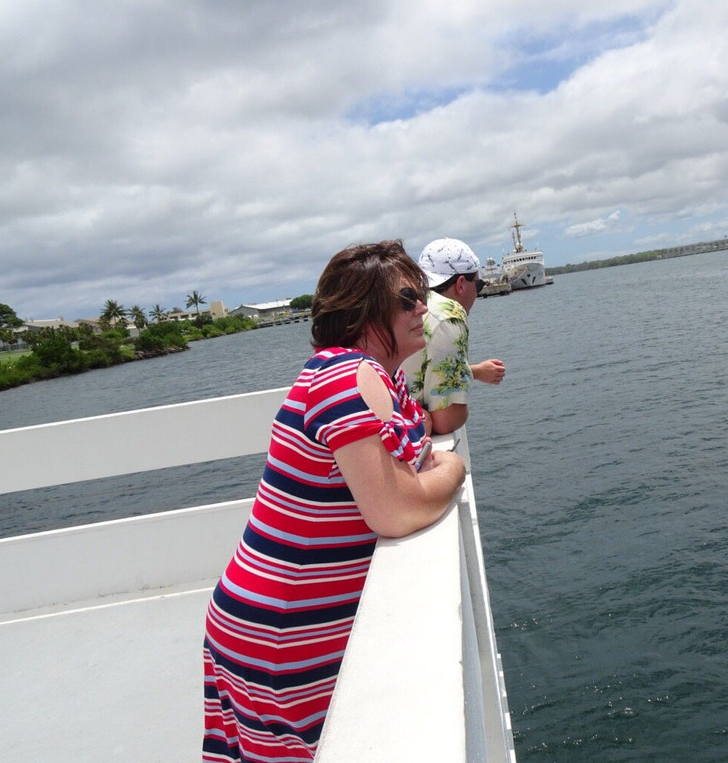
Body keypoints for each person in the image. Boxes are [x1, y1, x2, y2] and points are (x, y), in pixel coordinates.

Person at [202, 241, 467, 762]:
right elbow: (396, 510)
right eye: (408, 298)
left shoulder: (370, 376)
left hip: (271, 622)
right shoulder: (346, 379)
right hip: (282, 633)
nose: (423, 308)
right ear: (363, 312)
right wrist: (454, 469)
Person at [400, 237, 505, 435]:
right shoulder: (449, 315)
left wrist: (472, 371)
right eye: (479, 285)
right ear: (461, 284)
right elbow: (446, 421)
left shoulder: (405, 302)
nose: (478, 292)